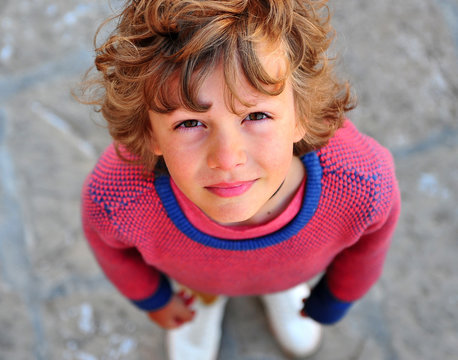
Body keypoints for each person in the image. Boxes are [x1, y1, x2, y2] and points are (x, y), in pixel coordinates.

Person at [79, 0, 401, 359]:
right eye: (189, 123)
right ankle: (205, 300)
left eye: (257, 115)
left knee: (277, 274)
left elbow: (372, 242)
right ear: (149, 131)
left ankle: (280, 289)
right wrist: (155, 298)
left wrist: (335, 298)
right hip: (197, 278)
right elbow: (108, 246)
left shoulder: (361, 182)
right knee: (205, 288)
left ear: (301, 114)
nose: (228, 158)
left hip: (290, 269)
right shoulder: (117, 197)